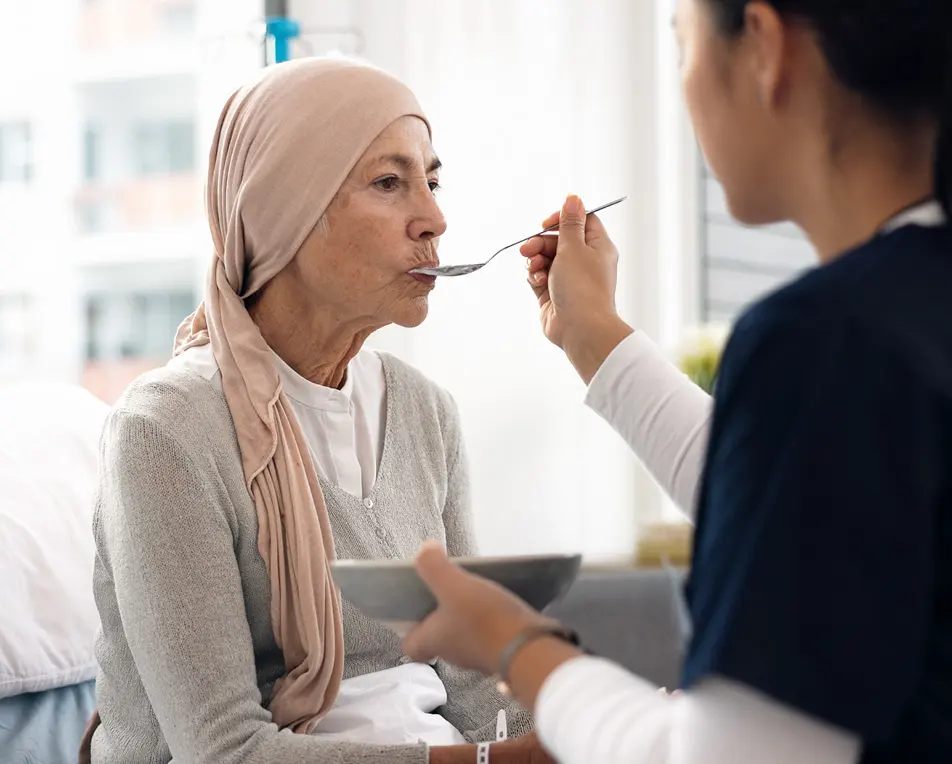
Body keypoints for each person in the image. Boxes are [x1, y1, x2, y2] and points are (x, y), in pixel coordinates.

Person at [401, 1, 952, 762]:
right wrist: (596, 341)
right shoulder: (891, 330)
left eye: (682, 42)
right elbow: (808, 499)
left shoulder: (829, 343)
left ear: (762, 44)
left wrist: (513, 642)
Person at [81, 58, 552, 764]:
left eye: (432, 179)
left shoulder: (426, 414)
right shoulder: (166, 433)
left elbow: (477, 691)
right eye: (389, 183)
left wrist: (588, 728)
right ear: (283, 212)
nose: (434, 217)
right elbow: (222, 751)